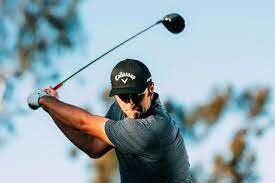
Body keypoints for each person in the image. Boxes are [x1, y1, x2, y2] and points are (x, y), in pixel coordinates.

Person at [27, 59, 194, 183]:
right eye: (123, 96)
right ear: (115, 95)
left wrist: (44, 99)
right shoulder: (121, 109)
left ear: (151, 89)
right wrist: (51, 107)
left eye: (136, 94)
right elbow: (93, 146)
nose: (130, 103)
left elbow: (84, 122)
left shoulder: (154, 128)